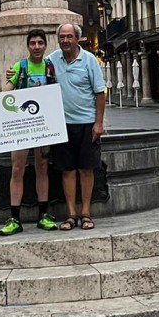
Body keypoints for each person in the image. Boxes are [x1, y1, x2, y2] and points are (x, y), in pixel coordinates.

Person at [0, 29, 59, 236]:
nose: (37, 47)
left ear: (46, 45)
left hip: (43, 125)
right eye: (33, 43)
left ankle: (43, 216)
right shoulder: (19, 67)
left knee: (42, 167)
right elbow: (7, 91)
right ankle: (14, 218)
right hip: (21, 126)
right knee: (17, 168)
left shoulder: (51, 67)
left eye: (40, 43)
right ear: (28, 46)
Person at [45, 22, 106, 230]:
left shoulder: (89, 60)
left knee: (86, 169)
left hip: (87, 124)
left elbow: (100, 93)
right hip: (62, 125)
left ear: (77, 38)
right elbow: (32, 71)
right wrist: (12, 74)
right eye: (62, 37)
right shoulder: (52, 60)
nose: (65, 40)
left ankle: (86, 213)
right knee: (67, 171)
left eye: (69, 36)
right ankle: (71, 214)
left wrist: (99, 123)